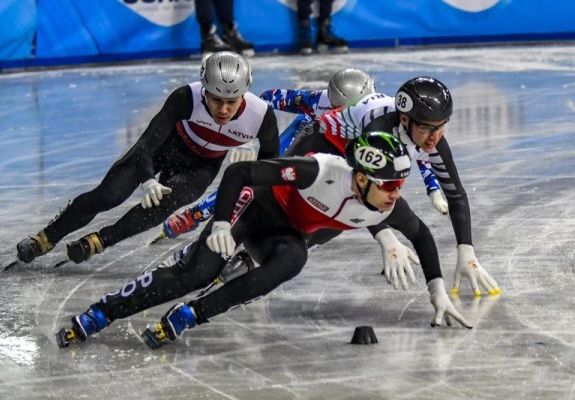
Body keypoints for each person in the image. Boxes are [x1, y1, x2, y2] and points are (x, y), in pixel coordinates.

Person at [56, 132, 471, 349]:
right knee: (196, 272)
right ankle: (103, 312)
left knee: (293, 260)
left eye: (400, 183)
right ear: (360, 177)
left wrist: (437, 290)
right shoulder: (319, 170)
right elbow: (241, 174)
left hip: (282, 234)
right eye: (389, 184)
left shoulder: (384, 206)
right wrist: (221, 223)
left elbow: (421, 235)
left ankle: (192, 315)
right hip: (253, 206)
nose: (397, 193)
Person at [15, 52, 280, 266]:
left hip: (202, 165)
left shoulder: (260, 117)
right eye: (216, 100)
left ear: (244, 94)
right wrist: (147, 179)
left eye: (231, 102)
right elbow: (146, 143)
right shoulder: (185, 97)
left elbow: (270, 168)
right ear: (204, 92)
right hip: (165, 148)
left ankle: (100, 241)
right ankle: (45, 238)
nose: (223, 109)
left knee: (165, 205)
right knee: (109, 195)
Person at [283, 76, 500, 297]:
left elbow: (456, 195)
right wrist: (386, 237)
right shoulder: (379, 126)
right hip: (320, 143)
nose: (435, 137)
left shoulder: (431, 140)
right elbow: (367, 190)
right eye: (426, 128)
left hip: (352, 156)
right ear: (405, 120)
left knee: (323, 229)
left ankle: (266, 256)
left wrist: (467, 251)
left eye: (442, 126)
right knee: (292, 207)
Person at [160, 67, 378, 238]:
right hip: (308, 140)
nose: (345, 119)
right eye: (338, 111)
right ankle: (197, 214)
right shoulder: (316, 101)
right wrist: (246, 133)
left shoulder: (382, 116)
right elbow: (267, 99)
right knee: (259, 178)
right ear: (329, 102)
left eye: (355, 114)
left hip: (345, 153)